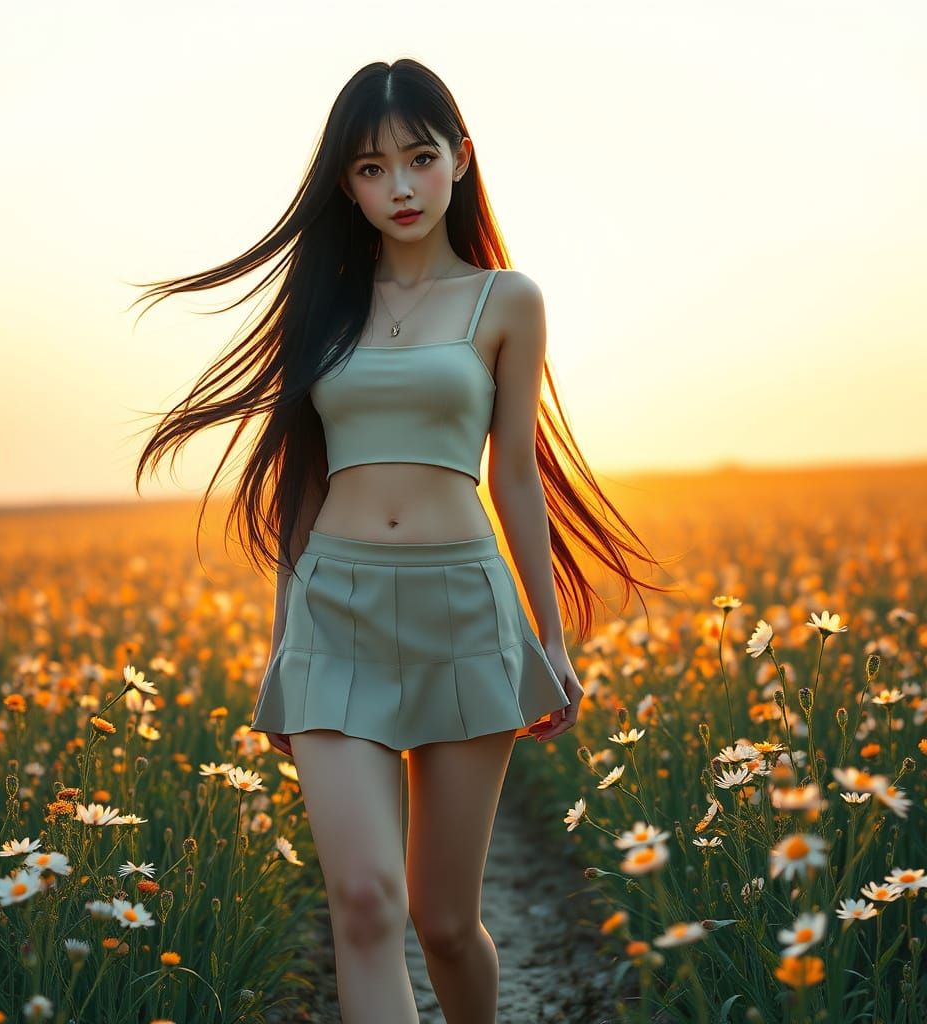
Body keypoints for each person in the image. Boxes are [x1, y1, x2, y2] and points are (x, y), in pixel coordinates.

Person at [129, 58, 673, 1024]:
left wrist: (549, 640)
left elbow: (514, 476)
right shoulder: (324, 306)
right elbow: (300, 485)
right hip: (335, 611)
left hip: (463, 609)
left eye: (420, 159)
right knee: (367, 904)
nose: (401, 187)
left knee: (444, 921)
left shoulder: (508, 300)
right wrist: (281, 641)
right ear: (347, 183)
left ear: (460, 160)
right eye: (373, 169)